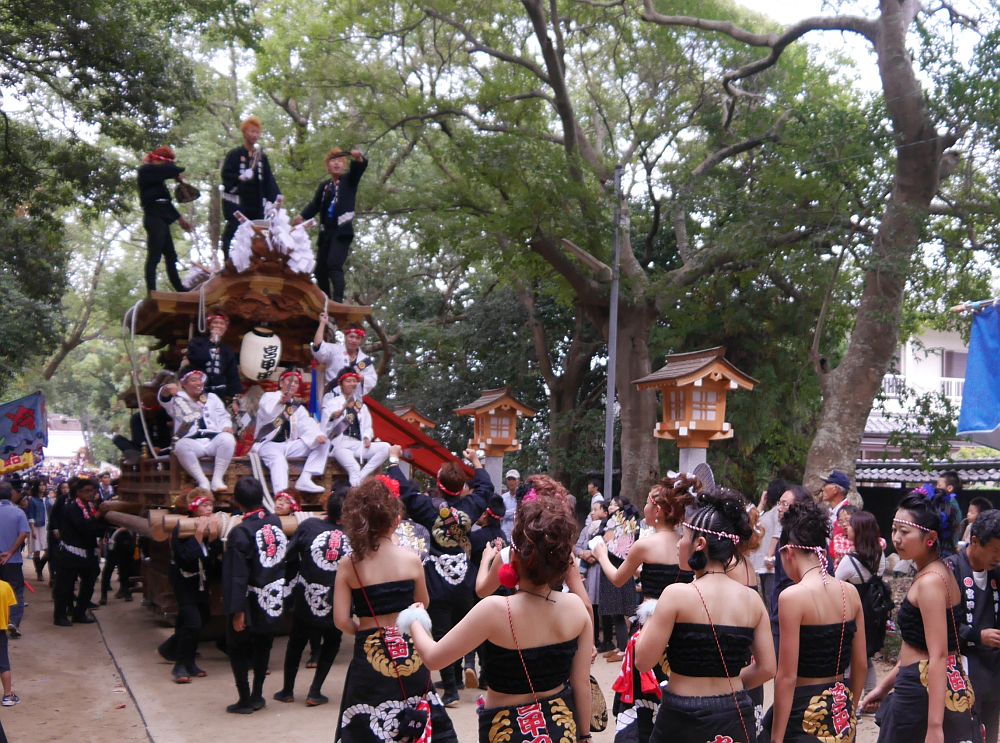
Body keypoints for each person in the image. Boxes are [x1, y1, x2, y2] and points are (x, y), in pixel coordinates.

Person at [405, 483, 593, 743]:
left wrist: (414, 619)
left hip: (507, 731)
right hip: (561, 729)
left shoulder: (493, 610)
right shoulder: (576, 608)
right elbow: (581, 684)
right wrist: (585, 736)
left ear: (513, 560)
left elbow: (434, 658)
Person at [635, 488, 776, 743]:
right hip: (734, 712)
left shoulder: (676, 595)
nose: (678, 543)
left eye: (684, 536)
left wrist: (651, 611)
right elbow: (767, 668)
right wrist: (730, 683)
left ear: (700, 544)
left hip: (681, 715)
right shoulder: (753, 600)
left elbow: (643, 661)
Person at [333, 477, 458, 742]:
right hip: (408, 646)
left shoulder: (349, 565)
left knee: (366, 717)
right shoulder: (411, 560)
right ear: (396, 520)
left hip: (369, 650)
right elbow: (422, 603)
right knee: (416, 705)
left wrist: (362, 631)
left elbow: (341, 620)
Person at [860, 491, 981, 742]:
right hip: (923, 682)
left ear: (931, 538)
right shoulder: (938, 572)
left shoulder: (931, 582)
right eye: (894, 530)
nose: (896, 538)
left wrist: (934, 726)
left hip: (921, 690)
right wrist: (884, 687)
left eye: (905, 532)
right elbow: (917, 646)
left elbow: (938, 654)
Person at [593, 475, 695, 743]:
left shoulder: (645, 545)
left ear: (658, 510)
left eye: (648, 503)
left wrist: (602, 555)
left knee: (646, 688)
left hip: (651, 625)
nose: (645, 508)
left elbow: (618, 579)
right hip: (682, 626)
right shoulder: (687, 543)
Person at [389, 447, 493, 706]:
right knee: (460, 628)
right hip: (464, 577)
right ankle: (457, 676)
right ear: (461, 488)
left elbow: (404, 490)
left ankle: (451, 689)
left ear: (439, 484)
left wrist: (393, 460)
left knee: (442, 633)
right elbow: (485, 488)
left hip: (437, 577)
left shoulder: (427, 507)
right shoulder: (471, 506)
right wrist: (476, 461)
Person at [763, 497, 867, 743]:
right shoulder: (849, 592)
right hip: (840, 710)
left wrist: (776, 738)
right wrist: (849, 710)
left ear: (788, 552)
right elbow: (861, 664)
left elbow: (787, 677)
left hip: (803, 710)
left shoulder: (792, 597)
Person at [274, 491, 348, 707]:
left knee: (296, 643)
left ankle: (287, 690)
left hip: (307, 597)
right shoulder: (356, 534)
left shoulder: (309, 526)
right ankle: (315, 692)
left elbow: (287, 553)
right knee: (332, 642)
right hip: (337, 602)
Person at [222, 477, 287, 714]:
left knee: (238, 648)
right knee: (263, 647)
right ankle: (257, 694)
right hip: (272, 597)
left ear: (237, 502)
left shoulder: (240, 533)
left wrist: (236, 610)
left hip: (249, 602)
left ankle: (245, 699)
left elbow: (237, 576)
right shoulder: (275, 522)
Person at [944, 508, 1000, 743]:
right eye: (995, 550)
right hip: (961, 670)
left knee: (990, 733)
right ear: (974, 541)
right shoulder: (950, 570)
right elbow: (942, 625)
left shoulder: (997, 573)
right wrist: (978, 635)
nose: (998, 557)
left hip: (993, 673)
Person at [294, 148, 368, 302]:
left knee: (334, 264)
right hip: (326, 233)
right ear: (328, 166)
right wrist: (301, 216)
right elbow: (314, 205)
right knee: (320, 270)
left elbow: (359, 168)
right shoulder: (325, 186)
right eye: (333, 161)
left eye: (340, 161)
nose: (336, 164)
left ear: (344, 165)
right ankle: (325, 301)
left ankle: (338, 301)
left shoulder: (349, 181)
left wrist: (358, 158)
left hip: (342, 231)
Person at [167, 489, 221, 683]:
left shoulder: (213, 525)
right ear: (193, 508)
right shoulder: (181, 528)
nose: (209, 509)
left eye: (210, 505)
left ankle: (187, 661)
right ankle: (179, 665)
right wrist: (198, 535)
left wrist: (213, 539)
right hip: (184, 581)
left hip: (201, 581)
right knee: (193, 623)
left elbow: (213, 558)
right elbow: (186, 559)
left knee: (202, 617)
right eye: (204, 505)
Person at [834, 510, 887, 694]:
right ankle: (870, 696)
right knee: (866, 656)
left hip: (852, 614)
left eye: (850, 525)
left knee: (848, 658)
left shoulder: (849, 561)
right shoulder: (880, 555)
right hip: (873, 614)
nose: (847, 528)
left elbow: (834, 584)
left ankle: (849, 698)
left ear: (859, 530)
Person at [159, 370, 236, 492]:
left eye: (200, 380)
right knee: (180, 446)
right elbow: (163, 397)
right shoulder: (176, 400)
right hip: (192, 442)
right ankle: (203, 481)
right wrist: (167, 388)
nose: (199, 383)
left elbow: (223, 416)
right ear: (183, 384)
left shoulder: (212, 398)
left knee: (228, 439)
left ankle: (217, 480)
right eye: (193, 380)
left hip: (213, 440)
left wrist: (226, 426)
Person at [253, 369, 328, 494]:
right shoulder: (269, 397)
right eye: (290, 380)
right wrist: (280, 402)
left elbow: (308, 425)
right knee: (279, 461)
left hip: (289, 446)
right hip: (268, 445)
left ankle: (305, 478)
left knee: (324, 442)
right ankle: (281, 495)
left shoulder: (297, 407)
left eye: (296, 382)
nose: (293, 384)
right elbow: (267, 410)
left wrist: (317, 436)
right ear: (281, 383)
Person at [220, 116, 280, 261]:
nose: (255, 135)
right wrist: (239, 178)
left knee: (258, 232)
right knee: (233, 229)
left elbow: (268, 179)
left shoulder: (262, 157)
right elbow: (226, 174)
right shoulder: (235, 154)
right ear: (244, 133)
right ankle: (228, 260)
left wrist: (277, 197)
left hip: (256, 201)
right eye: (252, 131)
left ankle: (256, 261)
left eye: (257, 132)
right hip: (238, 201)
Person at [52, 475, 105, 627]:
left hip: (88, 553)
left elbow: (97, 529)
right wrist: (99, 515)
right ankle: (60, 616)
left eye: (92, 491)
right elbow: (84, 527)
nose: (90, 494)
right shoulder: (71, 508)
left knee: (89, 582)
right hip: (70, 553)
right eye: (87, 491)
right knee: (65, 586)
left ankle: (79, 612)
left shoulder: (90, 507)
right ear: (78, 492)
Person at [137, 145, 191, 292]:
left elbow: (166, 204)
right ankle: (152, 291)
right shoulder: (145, 171)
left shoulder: (160, 184)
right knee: (155, 255)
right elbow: (171, 170)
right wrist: (176, 174)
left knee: (171, 255)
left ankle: (179, 288)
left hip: (162, 218)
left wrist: (180, 219)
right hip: (153, 217)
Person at [322, 369, 388, 487]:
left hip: (357, 444)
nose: (352, 384)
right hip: (340, 445)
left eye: (354, 381)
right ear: (341, 384)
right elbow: (324, 428)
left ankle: (362, 476)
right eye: (348, 381)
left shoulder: (361, 406)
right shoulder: (332, 403)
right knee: (354, 468)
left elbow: (367, 427)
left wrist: (367, 437)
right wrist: (332, 417)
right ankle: (357, 489)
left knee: (386, 447)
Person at [597, 495, 640, 663]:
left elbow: (621, 551)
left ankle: (623, 650)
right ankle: (619, 647)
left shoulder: (627, 527)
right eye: (611, 504)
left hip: (618, 570)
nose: (611, 507)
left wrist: (607, 544)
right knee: (615, 612)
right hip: (611, 570)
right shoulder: (611, 524)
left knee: (619, 612)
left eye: (615, 505)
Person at [312, 314, 378, 397]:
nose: (354, 340)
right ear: (345, 336)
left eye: (358, 338)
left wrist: (361, 378)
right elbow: (318, 346)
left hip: (353, 400)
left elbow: (372, 380)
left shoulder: (365, 360)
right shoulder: (334, 350)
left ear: (361, 340)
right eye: (351, 337)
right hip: (332, 397)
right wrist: (322, 323)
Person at [184, 314, 242, 403]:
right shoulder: (197, 343)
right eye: (215, 322)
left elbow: (232, 374)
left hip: (219, 391)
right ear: (209, 325)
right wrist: (212, 342)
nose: (218, 326)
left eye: (222, 323)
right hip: (198, 389)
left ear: (225, 328)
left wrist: (234, 397)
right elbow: (198, 359)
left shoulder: (227, 350)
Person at [575, 497, 606, 648]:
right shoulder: (586, 529)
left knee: (602, 604)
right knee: (590, 603)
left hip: (601, 569)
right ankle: (593, 638)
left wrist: (595, 555)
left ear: (604, 512)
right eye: (591, 510)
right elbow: (577, 547)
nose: (592, 513)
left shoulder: (607, 528)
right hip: (587, 571)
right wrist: (583, 553)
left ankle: (606, 639)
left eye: (596, 509)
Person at [0, 483, 28, 638]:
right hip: (12, 560)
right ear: (11, 496)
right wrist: (10, 552)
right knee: (15, 590)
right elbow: (23, 533)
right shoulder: (18, 512)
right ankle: (13, 621)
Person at [754, 479, 786, 611]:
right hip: (763, 564)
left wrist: (769, 555)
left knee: (771, 598)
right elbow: (751, 521)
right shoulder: (770, 512)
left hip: (770, 564)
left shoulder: (778, 510)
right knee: (767, 599)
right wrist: (761, 504)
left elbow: (777, 532)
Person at [0, 578, 17, 707]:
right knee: (3, 664)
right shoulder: (5, 586)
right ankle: (7, 695)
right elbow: (8, 611)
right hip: (0, 630)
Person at [26, 486, 49, 582]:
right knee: (37, 550)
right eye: (40, 485)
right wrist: (32, 529)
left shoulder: (47, 499)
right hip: (36, 526)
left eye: (44, 485)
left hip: (46, 526)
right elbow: (30, 515)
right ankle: (39, 573)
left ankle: (39, 568)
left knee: (48, 550)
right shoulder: (33, 500)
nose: (42, 487)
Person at [500, 469, 520, 540]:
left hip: (518, 533)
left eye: (513, 479)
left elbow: (521, 513)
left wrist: (506, 514)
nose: (511, 482)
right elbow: (501, 514)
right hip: (505, 533)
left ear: (518, 481)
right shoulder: (503, 497)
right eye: (509, 479)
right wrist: (516, 510)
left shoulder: (522, 497)